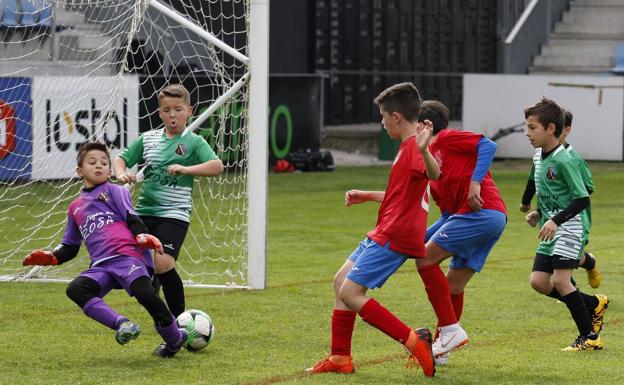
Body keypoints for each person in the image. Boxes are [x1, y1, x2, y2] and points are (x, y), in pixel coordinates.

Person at [306, 82, 439, 378]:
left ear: (395, 117)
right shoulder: (408, 146)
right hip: (385, 228)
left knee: (351, 292)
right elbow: (404, 193)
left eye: (382, 116)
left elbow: (435, 173)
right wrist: (367, 194)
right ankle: (340, 357)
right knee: (340, 281)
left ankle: (414, 341)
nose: (381, 122)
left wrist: (426, 151)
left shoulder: (416, 148)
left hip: (396, 233)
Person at [22, 142, 188, 357]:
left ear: (110, 170)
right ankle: (122, 324)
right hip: (102, 265)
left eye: (104, 163)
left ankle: (175, 339)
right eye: (92, 162)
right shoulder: (75, 207)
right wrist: (51, 257)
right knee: (76, 289)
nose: (99, 166)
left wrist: (143, 235)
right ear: (80, 171)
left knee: (145, 294)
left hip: (128, 257)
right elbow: (71, 248)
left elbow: (132, 217)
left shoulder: (115, 191)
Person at [114, 84, 224, 320]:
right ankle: (151, 281)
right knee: (127, 260)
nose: (172, 115)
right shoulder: (148, 139)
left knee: (164, 264)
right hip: (143, 212)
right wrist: (121, 173)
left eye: (178, 109)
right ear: (159, 113)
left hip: (174, 214)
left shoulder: (194, 142)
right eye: (167, 110)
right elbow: (120, 159)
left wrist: (186, 169)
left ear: (189, 111)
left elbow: (217, 166)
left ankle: (180, 322)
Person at [414, 100, 507, 364]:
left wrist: (475, 183)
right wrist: (415, 236)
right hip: (483, 219)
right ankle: (442, 349)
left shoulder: (445, 139)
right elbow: (447, 216)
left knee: (425, 259)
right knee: (453, 286)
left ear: (425, 125)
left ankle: (449, 332)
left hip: (482, 214)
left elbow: (488, 145)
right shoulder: (432, 162)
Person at [523, 97, 608, 351]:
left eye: (533, 128)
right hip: (553, 225)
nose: (528, 133)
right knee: (538, 282)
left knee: (561, 281)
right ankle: (593, 303)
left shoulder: (565, 160)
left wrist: (555, 220)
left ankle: (590, 338)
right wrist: (539, 212)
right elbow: (553, 194)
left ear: (551, 129)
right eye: (527, 127)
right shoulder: (539, 157)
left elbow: (581, 199)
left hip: (570, 225)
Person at [521, 109, 603, 289]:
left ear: (565, 130)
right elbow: (536, 181)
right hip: (552, 218)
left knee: (565, 262)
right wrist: (534, 207)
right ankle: (576, 291)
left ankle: (584, 272)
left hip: (575, 218)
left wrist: (567, 201)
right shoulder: (541, 155)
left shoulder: (571, 159)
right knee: (556, 264)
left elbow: (587, 189)